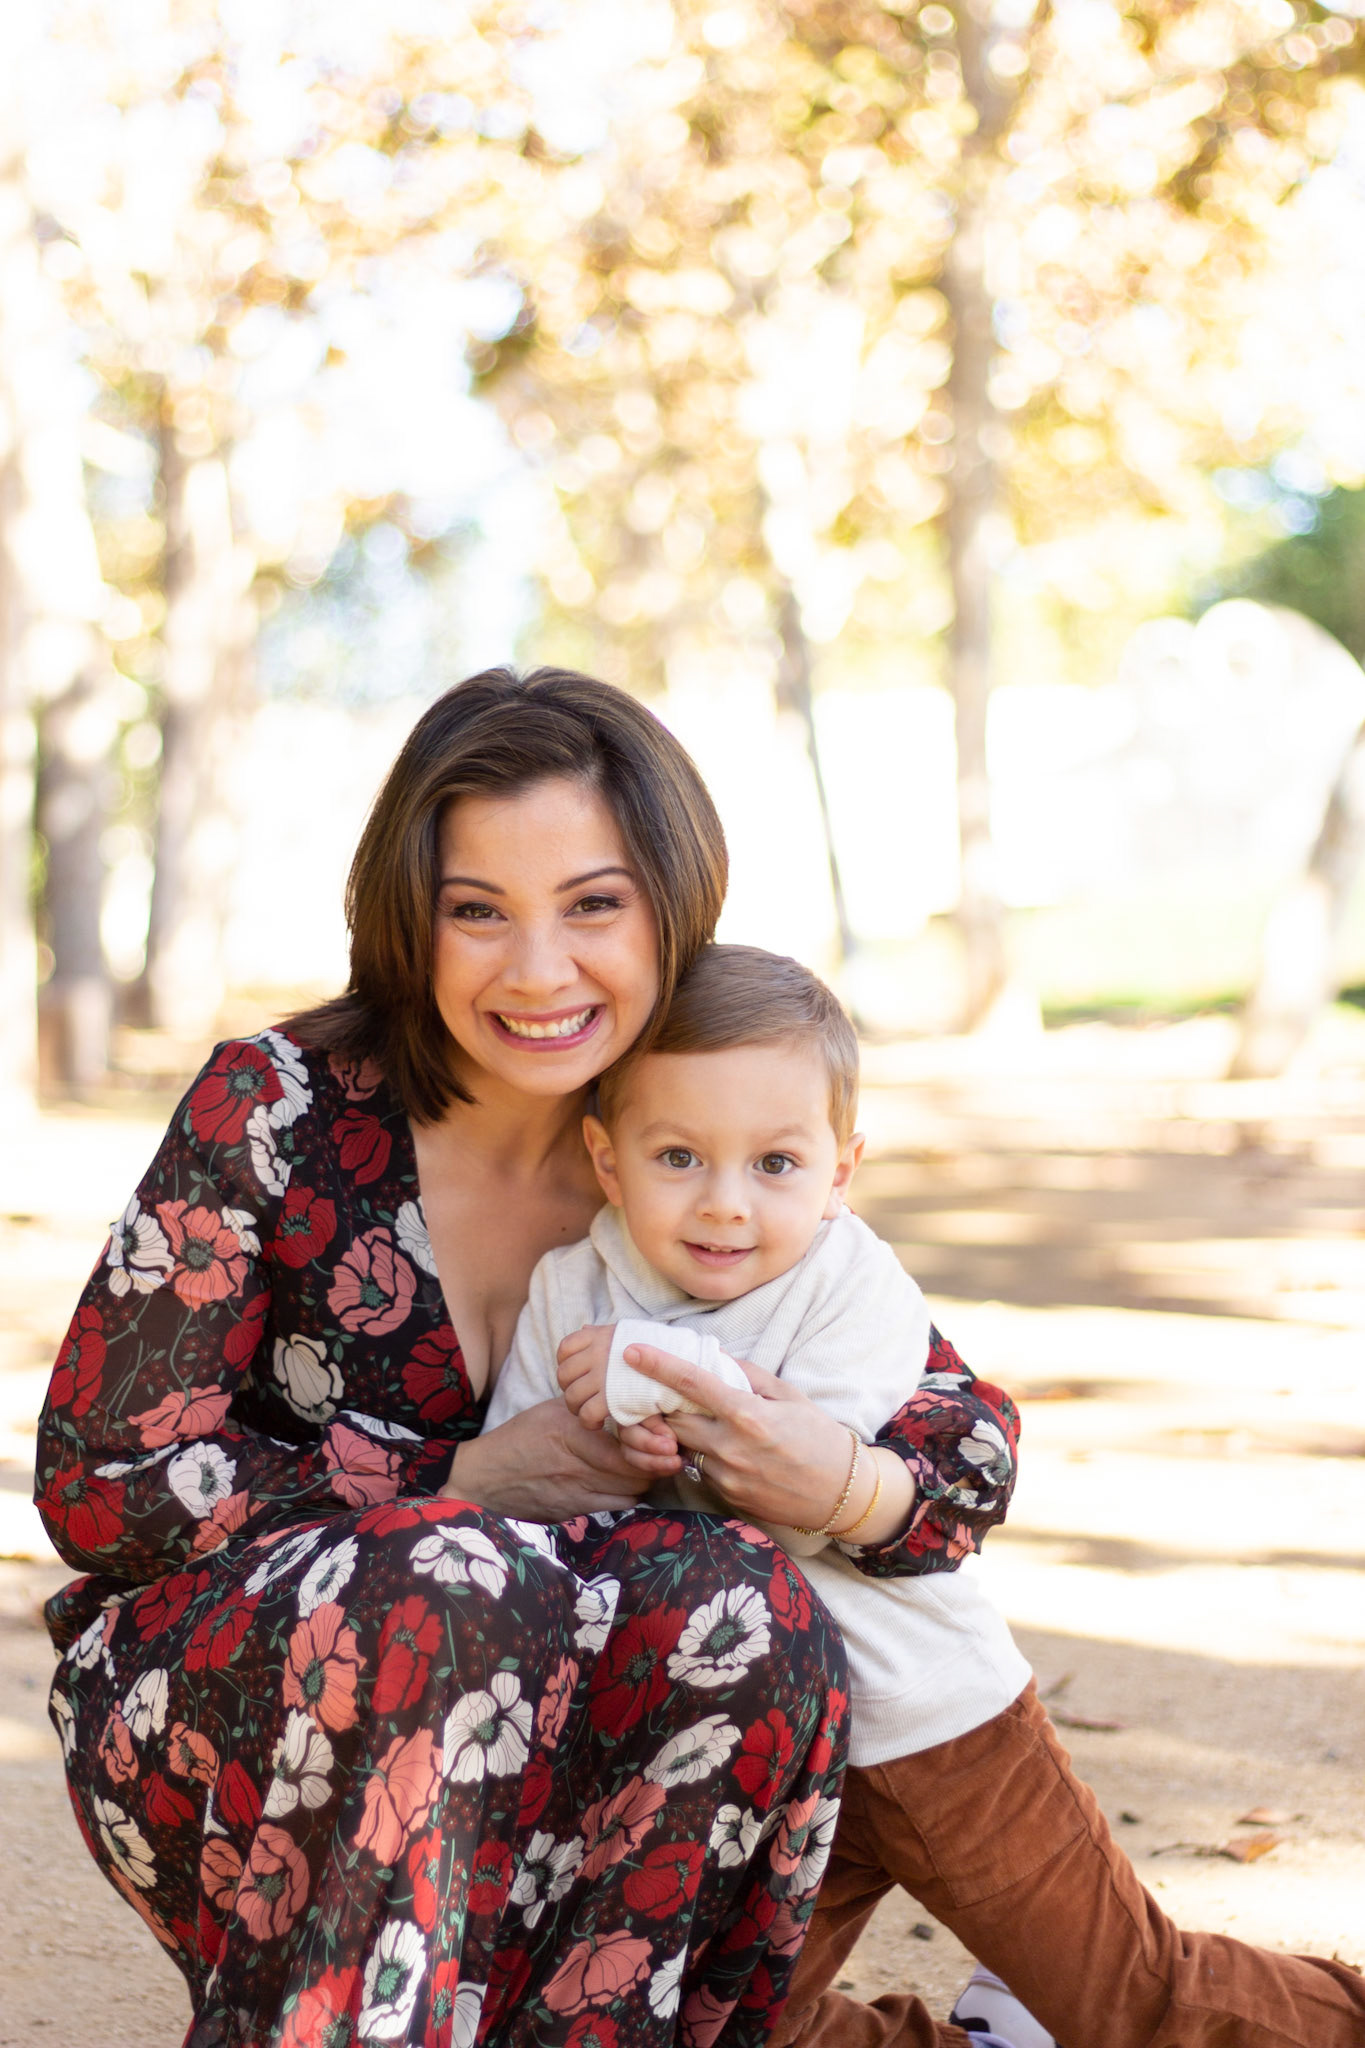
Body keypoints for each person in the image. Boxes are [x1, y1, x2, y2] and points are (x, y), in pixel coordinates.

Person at [33, 667, 1019, 2048]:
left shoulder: (684, 1134)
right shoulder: (275, 1104)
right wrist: (461, 1479)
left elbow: (961, 1435)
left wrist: (840, 1478)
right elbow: (103, 1480)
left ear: (671, 903)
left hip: (566, 1738)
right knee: (451, 1568)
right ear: (410, 917)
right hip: (239, 1711)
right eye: (478, 910)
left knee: (743, 1595)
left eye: (593, 904)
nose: (540, 970)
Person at [489, 941, 1365, 2048]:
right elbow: (528, 1501)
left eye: (775, 1163)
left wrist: (633, 1379)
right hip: (761, 1763)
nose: (725, 1204)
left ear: (839, 1170)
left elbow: (789, 1474)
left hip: (936, 1726)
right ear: (606, 1160)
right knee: (732, 2027)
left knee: (1134, 2001)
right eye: (678, 1157)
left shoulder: (849, 1279)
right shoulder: (569, 1285)